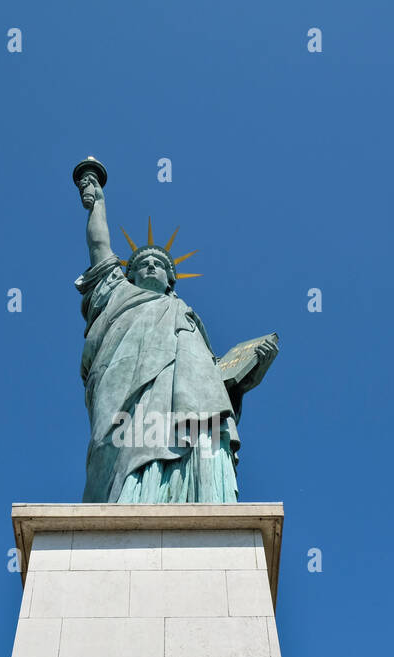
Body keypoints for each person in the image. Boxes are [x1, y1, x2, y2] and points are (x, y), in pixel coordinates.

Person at [74, 163, 277, 503]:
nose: (150, 266)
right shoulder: (118, 294)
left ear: (170, 279)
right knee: (118, 443)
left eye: (159, 264)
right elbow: (100, 247)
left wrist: (248, 371)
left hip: (188, 397)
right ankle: (128, 498)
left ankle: (197, 496)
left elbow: (214, 378)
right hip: (123, 388)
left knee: (204, 425)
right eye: (142, 264)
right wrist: (98, 203)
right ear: (132, 276)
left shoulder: (186, 316)